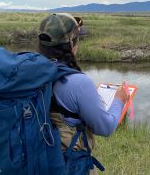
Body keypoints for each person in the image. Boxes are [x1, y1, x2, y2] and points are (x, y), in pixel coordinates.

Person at [38, 13, 128, 174]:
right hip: (68, 163)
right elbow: (105, 127)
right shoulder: (78, 83)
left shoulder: (31, 73)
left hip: (38, 158)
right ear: (72, 43)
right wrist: (119, 100)